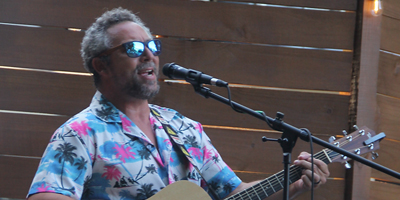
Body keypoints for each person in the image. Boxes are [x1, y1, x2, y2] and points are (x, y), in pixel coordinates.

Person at [27, 7, 329, 200]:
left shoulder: (182, 128)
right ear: (101, 66)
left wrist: (294, 185)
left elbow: (234, 193)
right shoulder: (79, 133)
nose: (149, 56)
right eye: (133, 48)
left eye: (153, 46)